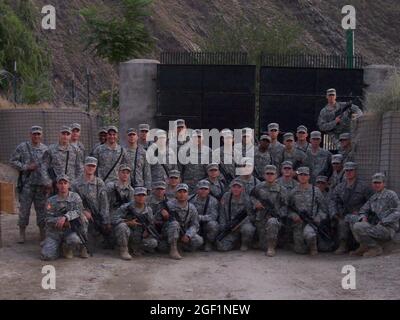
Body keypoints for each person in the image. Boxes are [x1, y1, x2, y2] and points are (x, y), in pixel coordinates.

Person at [10, 126, 49, 243]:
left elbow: (48, 167)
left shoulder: (45, 149)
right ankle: (22, 233)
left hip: (40, 185)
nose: (36, 136)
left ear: (41, 135)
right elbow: (12, 161)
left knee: (42, 211)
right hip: (27, 185)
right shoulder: (22, 147)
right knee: (24, 211)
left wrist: (47, 183)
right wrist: (26, 167)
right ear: (30, 134)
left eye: (38, 134)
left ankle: (42, 233)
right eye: (34, 134)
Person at [350, 173, 400, 257]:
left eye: (379, 183)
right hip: (377, 226)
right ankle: (364, 246)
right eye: (375, 183)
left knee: (358, 227)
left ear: (384, 184)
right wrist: (363, 217)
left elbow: (397, 212)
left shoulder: (391, 195)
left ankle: (375, 248)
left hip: (388, 228)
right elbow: (363, 210)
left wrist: (384, 221)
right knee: (352, 219)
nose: (376, 185)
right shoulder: (373, 198)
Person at [329, 162, 374, 254]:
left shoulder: (363, 186)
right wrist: (334, 213)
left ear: (355, 172)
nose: (349, 172)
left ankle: (363, 245)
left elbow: (371, 202)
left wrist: (362, 213)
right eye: (347, 170)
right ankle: (343, 245)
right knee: (341, 223)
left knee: (355, 223)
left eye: (351, 170)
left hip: (358, 214)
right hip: (344, 214)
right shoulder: (340, 187)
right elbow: (333, 200)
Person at [40, 174, 88, 260]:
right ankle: (52, 245)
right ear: (57, 185)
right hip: (54, 232)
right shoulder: (51, 201)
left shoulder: (75, 197)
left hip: (70, 231)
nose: (63, 185)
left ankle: (67, 247)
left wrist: (66, 217)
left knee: (75, 239)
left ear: (69, 185)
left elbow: (79, 211)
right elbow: (47, 219)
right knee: (47, 256)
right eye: (60, 183)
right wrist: (59, 220)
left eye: (65, 183)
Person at [72, 157, 112, 248]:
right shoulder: (76, 183)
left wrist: (105, 220)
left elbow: (104, 203)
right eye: (88, 165)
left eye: (93, 166)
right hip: (81, 215)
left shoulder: (99, 182)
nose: (90, 168)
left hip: (96, 214)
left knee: (107, 236)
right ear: (84, 166)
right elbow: (72, 203)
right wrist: (83, 211)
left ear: (96, 168)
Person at [288, 167, 328, 255]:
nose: (303, 177)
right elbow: (288, 208)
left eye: (305, 175)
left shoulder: (315, 191)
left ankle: (313, 247)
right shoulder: (293, 192)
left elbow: (323, 209)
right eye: (301, 175)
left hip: (312, 222)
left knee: (309, 234)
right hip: (298, 223)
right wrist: (293, 215)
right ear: (297, 176)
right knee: (300, 250)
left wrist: (318, 218)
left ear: (309, 177)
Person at [250, 165, 288, 256]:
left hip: (275, 220)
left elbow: (285, 206)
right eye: (268, 173)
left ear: (276, 175)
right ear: (264, 175)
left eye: (272, 174)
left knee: (272, 222)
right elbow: (251, 197)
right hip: (261, 219)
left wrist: (277, 215)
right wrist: (256, 204)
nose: (270, 175)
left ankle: (271, 248)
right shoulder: (258, 187)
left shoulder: (282, 189)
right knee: (263, 246)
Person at [160, 183, 203, 259]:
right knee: (174, 223)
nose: (182, 194)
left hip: (184, 232)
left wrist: (188, 235)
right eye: (179, 192)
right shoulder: (168, 205)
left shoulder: (191, 208)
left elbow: (195, 225)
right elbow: (156, 220)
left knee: (199, 241)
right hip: (169, 232)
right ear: (176, 194)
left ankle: (180, 246)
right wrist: (163, 215)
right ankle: (173, 249)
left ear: (187, 194)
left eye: (184, 192)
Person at [112, 187, 158, 260]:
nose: (141, 197)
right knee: (122, 226)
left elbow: (151, 224)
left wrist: (147, 231)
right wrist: (128, 222)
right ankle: (124, 249)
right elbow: (114, 219)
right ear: (134, 196)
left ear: (146, 197)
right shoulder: (126, 207)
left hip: (140, 235)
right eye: (138, 195)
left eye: (143, 195)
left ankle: (136, 248)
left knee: (153, 243)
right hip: (128, 233)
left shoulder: (148, 210)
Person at [41, 126, 83, 193]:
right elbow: (44, 166)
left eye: (67, 134)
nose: (65, 136)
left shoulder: (76, 150)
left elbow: (80, 168)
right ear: (59, 134)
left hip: (71, 185)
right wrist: (47, 181)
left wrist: (76, 182)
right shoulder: (51, 149)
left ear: (70, 136)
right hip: (55, 184)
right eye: (63, 134)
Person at [216, 180, 255, 252]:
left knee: (248, 229)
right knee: (221, 246)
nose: (236, 189)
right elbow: (222, 213)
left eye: (238, 187)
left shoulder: (247, 199)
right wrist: (224, 226)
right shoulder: (226, 196)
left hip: (242, 225)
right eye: (234, 187)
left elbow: (251, 216)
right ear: (231, 188)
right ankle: (235, 242)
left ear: (242, 189)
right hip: (230, 226)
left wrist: (239, 225)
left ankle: (244, 244)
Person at [189, 180, 219, 251]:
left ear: (209, 190)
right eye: (201, 189)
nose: (203, 191)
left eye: (206, 189)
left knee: (213, 225)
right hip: (193, 224)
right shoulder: (189, 199)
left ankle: (208, 243)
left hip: (206, 225)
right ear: (197, 189)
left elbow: (213, 216)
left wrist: (198, 217)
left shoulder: (213, 201)